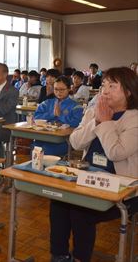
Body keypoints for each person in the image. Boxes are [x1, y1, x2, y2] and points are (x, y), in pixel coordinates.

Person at [50, 67, 138, 262]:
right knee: (59, 202)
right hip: (88, 179)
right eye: (104, 85)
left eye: (112, 86)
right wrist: (96, 120)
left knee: (81, 211)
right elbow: (75, 142)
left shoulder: (134, 118)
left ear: (129, 91)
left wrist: (104, 122)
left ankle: (81, 258)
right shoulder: (94, 112)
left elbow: (116, 153)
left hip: (123, 189)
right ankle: (60, 256)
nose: (104, 91)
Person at [33, 76, 83, 156]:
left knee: (46, 150)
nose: (59, 92)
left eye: (62, 90)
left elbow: (77, 123)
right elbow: (36, 117)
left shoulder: (76, 106)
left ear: (69, 88)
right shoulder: (47, 103)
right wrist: (52, 114)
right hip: (44, 137)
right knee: (34, 148)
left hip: (64, 141)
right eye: (56, 89)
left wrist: (61, 115)